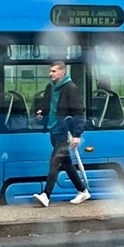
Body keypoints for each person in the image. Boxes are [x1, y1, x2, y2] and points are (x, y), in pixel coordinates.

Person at [32, 60, 90, 207]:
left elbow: (78, 112)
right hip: (54, 132)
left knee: (55, 161)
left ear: (62, 72)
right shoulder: (50, 88)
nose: (50, 73)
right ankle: (83, 191)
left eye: (54, 71)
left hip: (64, 133)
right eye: (50, 71)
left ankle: (46, 195)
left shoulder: (71, 88)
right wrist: (41, 115)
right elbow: (47, 108)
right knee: (67, 163)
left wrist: (77, 135)